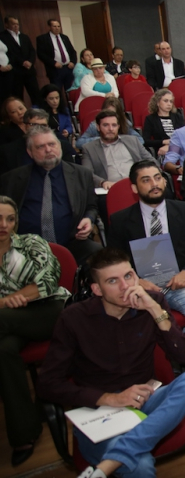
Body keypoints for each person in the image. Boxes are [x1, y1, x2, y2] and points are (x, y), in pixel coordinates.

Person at [37, 248, 185, 478]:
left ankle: (109, 464)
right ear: (97, 289)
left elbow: (184, 355)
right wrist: (111, 399)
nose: (125, 286)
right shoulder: (73, 318)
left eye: (128, 276)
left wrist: (154, 309)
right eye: (112, 281)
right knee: (140, 466)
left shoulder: (153, 303)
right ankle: (127, 451)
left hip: (145, 399)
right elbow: (48, 384)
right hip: (100, 410)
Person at [0, 196, 69, 467]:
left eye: (10, 219)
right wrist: (9, 304)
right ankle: (24, 433)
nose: (4, 225)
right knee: (3, 350)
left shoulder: (31, 242)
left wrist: (8, 300)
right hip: (10, 322)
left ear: (16, 222)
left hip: (48, 310)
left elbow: (48, 281)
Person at [108, 159, 185, 334]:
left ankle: (178, 346)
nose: (154, 184)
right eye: (146, 180)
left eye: (158, 178)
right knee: (127, 327)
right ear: (134, 188)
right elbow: (114, 261)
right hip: (141, 287)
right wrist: (135, 280)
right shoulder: (121, 220)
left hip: (179, 284)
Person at [0, 125, 100, 264]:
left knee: (98, 254)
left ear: (59, 146)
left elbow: (91, 206)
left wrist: (89, 219)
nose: (48, 150)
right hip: (25, 247)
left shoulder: (81, 174)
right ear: (30, 152)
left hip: (71, 243)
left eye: (52, 144)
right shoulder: (11, 180)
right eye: (40, 147)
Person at [81, 110, 152, 189]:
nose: (110, 129)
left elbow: (151, 161)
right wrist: (102, 182)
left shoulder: (133, 141)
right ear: (98, 127)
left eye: (114, 125)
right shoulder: (89, 148)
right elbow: (87, 173)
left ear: (118, 126)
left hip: (138, 186)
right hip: (110, 189)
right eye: (106, 125)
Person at [76, 97, 144, 150]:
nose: (110, 116)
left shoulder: (125, 123)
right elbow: (79, 143)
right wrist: (100, 140)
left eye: (113, 114)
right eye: (108, 113)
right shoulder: (94, 125)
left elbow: (140, 140)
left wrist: (121, 140)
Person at [0, 16, 39, 106]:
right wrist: (22, 62)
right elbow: (9, 53)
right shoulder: (2, 37)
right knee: (18, 95)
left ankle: (38, 111)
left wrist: (30, 61)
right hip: (15, 71)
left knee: (35, 94)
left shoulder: (24, 37)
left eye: (17, 24)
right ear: (6, 25)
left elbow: (32, 51)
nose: (16, 26)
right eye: (13, 24)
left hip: (29, 70)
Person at [35, 19, 77, 92]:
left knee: (70, 90)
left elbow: (72, 51)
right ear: (49, 27)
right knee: (56, 90)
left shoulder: (64, 37)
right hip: (55, 70)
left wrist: (73, 62)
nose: (57, 28)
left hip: (68, 68)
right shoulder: (42, 38)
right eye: (54, 26)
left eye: (58, 26)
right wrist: (53, 63)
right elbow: (41, 54)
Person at [142, 89, 183, 156]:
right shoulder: (150, 119)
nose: (169, 104)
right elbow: (146, 141)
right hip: (162, 151)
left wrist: (170, 146)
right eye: (165, 101)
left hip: (180, 147)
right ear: (158, 102)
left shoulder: (178, 117)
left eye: (171, 101)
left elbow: (184, 136)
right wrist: (163, 142)